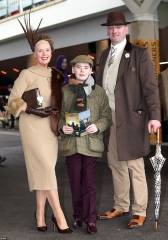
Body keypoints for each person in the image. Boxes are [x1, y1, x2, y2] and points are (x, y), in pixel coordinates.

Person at [8, 14, 73, 234]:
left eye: (47, 50)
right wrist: (32, 109)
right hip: (32, 127)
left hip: (50, 129)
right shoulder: (26, 73)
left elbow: (60, 101)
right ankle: (59, 215)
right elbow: (13, 100)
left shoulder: (56, 75)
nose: (44, 53)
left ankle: (39, 215)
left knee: (44, 172)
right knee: (46, 170)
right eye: (40, 51)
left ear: (51, 54)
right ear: (34, 54)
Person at [96, 11, 161, 229]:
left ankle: (139, 210)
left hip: (132, 117)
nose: (114, 31)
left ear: (126, 29)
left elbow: (151, 88)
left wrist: (155, 116)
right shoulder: (104, 55)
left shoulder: (139, 54)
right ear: (108, 30)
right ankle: (121, 205)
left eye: (118, 27)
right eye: (111, 28)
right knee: (115, 164)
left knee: (134, 165)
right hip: (109, 117)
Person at [58, 55, 112, 234]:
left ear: (91, 70)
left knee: (89, 182)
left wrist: (98, 126)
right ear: (73, 70)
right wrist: (62, 127)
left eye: (86, 67)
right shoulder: (65, 91)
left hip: (91, 143)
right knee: (74, 182)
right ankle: (78, 215)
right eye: (78, 67)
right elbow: (58, 116)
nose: (82, 71)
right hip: (72, 143)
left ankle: (90, 219)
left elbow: (107, 117)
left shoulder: (99, 92)